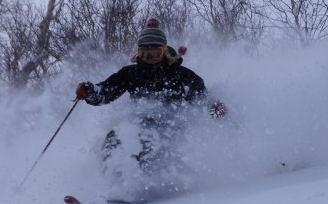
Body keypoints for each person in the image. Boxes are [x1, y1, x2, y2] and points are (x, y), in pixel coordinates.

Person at [75, 19, 227, 178]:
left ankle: (148, 182)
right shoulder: (130, 74)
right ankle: (112, 182)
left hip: (172, 125)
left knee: (148, 138)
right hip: (139, 121)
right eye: (144, 53)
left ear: (164, 51)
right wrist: (90, 92)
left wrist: (214, 107)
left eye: (155, 53)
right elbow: (106, 92)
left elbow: (201, 97)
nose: (150, 58)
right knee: (115, 137)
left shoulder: (181, 75)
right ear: (138, 53)